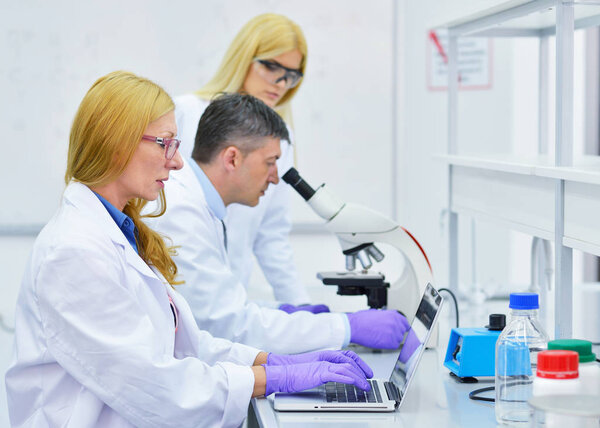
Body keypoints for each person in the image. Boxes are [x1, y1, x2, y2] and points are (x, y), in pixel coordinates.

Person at [4, 71, 374, 428]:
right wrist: (271, 377)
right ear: (117, 144)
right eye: (166, 143)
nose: (178, 161)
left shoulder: (119, 232)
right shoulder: (75, 250)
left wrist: (272, 360)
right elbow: (156, 386)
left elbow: (184, 344)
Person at [148, 93, 410, 355]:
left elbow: (220, 310)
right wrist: (345, 327)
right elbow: (229, 325)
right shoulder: (182, 212)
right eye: (270, 162)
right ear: (232, 159)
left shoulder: (202, 207)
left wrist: (282, 312)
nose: (275, 179)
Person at [175, 13, 321, 313]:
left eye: (291, 75)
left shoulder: (281, 138)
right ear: (244, 57)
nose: (280, 83)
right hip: (176, 295)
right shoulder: (185, 113)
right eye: (271, 66)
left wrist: (304, 309)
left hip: (230, 302)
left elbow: (271, 237)